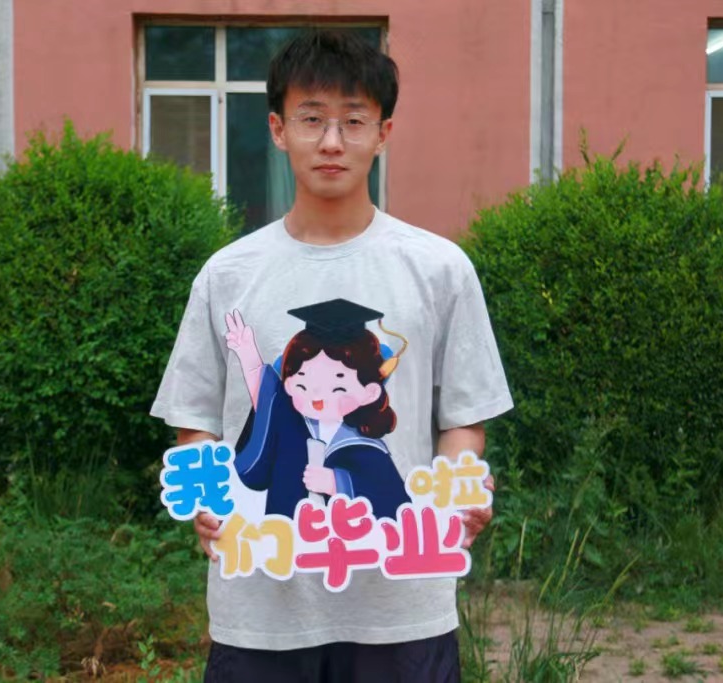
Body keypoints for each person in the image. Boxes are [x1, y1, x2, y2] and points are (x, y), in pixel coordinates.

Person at [150, 29, 512, 683]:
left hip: (399, 606)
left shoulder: (439, 270)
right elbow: (196, 417)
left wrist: (457, 496)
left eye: (354, 120)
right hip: (262, 604)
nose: (332, 141)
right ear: (278, 128)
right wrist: (209, 499)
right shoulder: (229, 276)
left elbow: (463, 417)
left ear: (384, 132)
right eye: (312, 119)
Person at [228, 298, 411, 520]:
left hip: (346, 540)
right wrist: (249, 357)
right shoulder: (292, 425)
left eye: (337, 387)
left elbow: (393, 503)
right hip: (285, 535)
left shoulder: (368, 450)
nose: (316, 396)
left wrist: (338, 483)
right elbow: (269, 402)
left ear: (370, 392)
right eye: (302, 383)